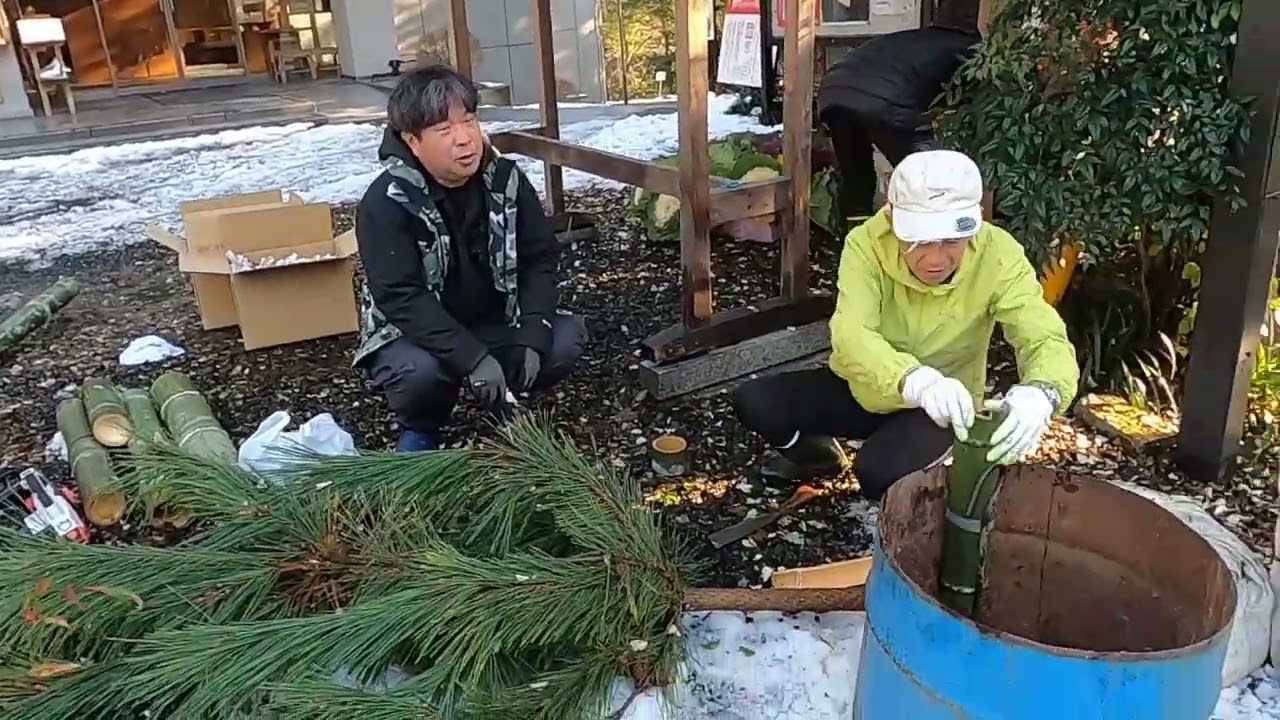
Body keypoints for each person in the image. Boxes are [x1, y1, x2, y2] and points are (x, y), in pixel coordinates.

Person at [731, 150, 1079, 501]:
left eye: (951, 241)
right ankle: (818, 459)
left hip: (942, 407)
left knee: (878, 474)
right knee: (756, 401)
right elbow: (852, 334)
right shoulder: (866, 243)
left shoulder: (998, 253)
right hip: (868, 384)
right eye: (918, 241)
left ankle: (921, 471)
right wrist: (915, 379)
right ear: (892, 215)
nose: (935, 259)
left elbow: (1041, 330)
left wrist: (1043, 391)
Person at [351, 65, 588, 452]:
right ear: (412, 141)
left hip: (494, 318)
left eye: (470, 121)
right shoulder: (386, 204)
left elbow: (538, 260)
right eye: (445, 130)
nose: (465, 140)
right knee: (417, 375)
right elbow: (401, 297)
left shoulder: (506, 181)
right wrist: (472, 358)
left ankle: (502, 400)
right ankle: (423, 427)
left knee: (561, 341)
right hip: (416, 335)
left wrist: (532, 331)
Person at [816, 1, 982, 221]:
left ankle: (857, 240)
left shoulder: (920, 39)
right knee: (926, 178)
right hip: (884, 100)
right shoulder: (971, 50)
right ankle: (928, 238)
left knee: (856, 175)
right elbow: (970, 103)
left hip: (834, 92)